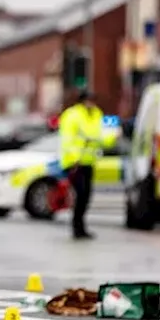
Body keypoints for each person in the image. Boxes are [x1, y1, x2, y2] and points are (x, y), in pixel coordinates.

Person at [58, 89, 105, 240]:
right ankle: (77, 227)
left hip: (89, 161)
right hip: (75, 163)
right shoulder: (72, 115)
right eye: (89, 100)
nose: (92, 103)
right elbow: (68, 139)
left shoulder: (97, 114)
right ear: (82, 101)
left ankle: (81, 227)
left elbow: (101, 136)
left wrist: (112, 137)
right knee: (81, 194)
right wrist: (74, 159)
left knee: (86, 196)